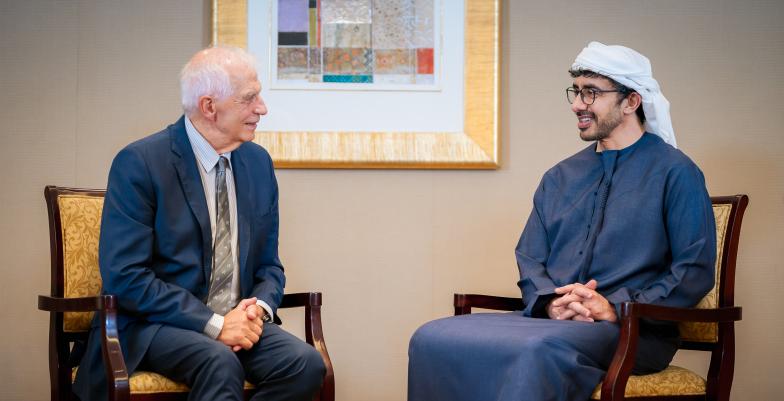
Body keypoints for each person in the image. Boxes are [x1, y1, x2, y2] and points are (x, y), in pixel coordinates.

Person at [408, 42, 716, 401]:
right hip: (552, 321)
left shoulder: (676, 172)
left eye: (591, 92)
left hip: (633, 331)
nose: (577, 104)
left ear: (631, 101)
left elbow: (693, 269)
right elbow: (531, 257)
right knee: (433, 336)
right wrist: (551, 303)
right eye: (576, 91)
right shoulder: (560, 176)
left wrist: (612, 307)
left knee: (538, 350)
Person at [72, 47, 325, 401]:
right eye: (249, 99)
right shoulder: (141, 163)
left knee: (305, 364)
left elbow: (269, 265)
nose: (262, 108)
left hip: (237, 320)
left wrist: (258, 310)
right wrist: (216, 325)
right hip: (153, 326)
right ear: (210, 107)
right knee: (219, 361)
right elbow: (126, 277)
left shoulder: (257, 163)